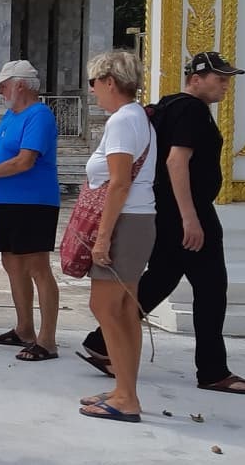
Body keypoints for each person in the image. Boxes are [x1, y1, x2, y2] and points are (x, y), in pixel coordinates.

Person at [81, 52, 245, 396]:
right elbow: (177, 162)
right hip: (186, 212)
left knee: (161, 278)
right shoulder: (190, 109)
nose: (225, 85)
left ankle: (103, 342)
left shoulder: (164, 108)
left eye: (227, 78)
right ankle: (212, 370)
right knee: (210, 289)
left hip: (164, 212)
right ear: (196, 78)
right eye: (218, 78)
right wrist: (190, 217)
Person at [77, 51, 158, 423]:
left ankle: (127, 396)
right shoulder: (136, 117)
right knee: (124, 310)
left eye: (95, 83)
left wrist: (102, 237)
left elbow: (119, 182)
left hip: (125, 221)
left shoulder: (123, 121)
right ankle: (125, 388)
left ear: (110, 81)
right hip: (139, 218)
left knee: (106, 307)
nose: (93, 91)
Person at [0, 60, 61, 362]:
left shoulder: (39, 115)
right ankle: (24, 328)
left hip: (34, 202)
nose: (0, 91)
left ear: (20, 85)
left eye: (4, 85)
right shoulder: (11, 114)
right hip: (7, 201)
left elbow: (24, 161)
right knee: (12, 262)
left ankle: (47, 340)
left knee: (36, 266)